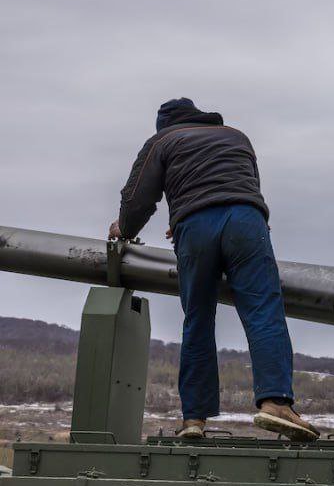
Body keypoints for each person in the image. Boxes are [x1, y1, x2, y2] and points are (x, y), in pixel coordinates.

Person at [110, 97, 319, 443]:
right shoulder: (237, 136)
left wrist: (128, 229)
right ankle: (276, 403)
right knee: (264, 310)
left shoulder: (162, 141)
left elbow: (137, 198)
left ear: (165, 124)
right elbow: (245, 187)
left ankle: (194, 418)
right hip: (247, 222)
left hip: (195, 229)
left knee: (198, 319)